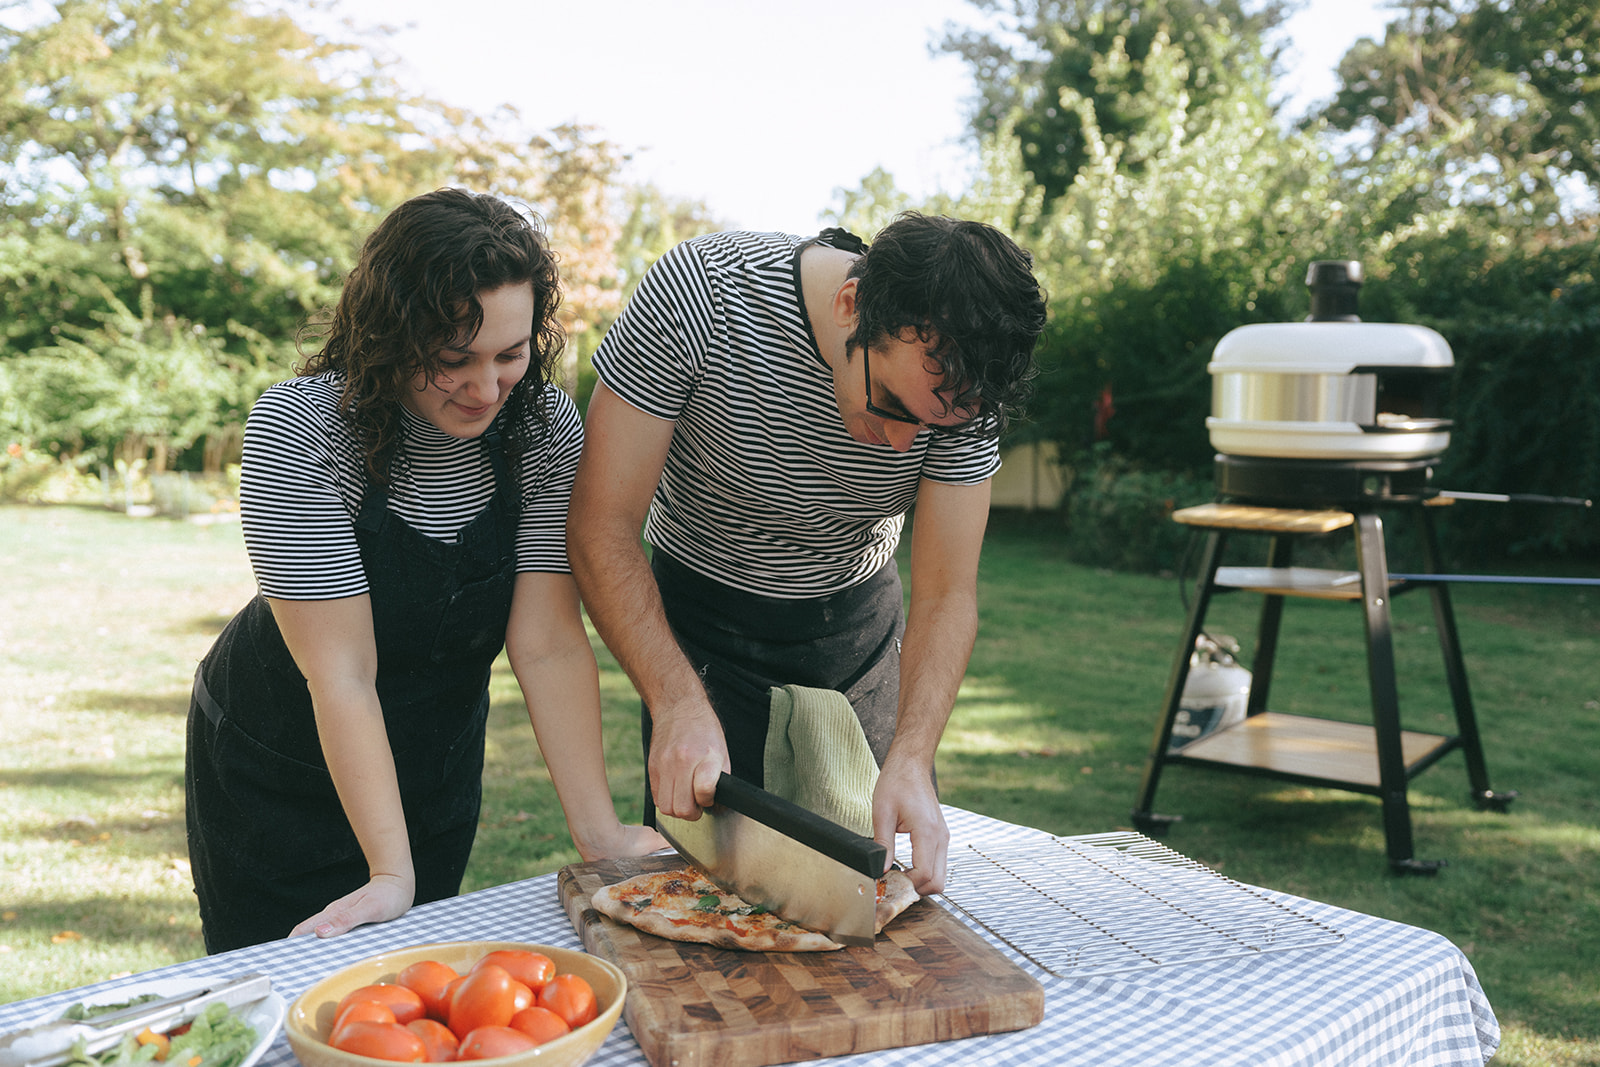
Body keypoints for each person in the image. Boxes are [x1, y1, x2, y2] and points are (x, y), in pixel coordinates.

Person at [185, 187, 666, 953]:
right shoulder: (301, 428)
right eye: (453, 360)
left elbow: (545, 641)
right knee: (284, 998)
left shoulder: (542, 429)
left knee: (411, 991)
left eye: (510, 355)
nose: (485, 389)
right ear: (389, 335)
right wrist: (389, 873)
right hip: (277, 766)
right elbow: (341, 671)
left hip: (436, 758)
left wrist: (599, 829)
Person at [567, 213, 1046, 896]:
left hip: (855, 630)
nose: (906, 448)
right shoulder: (699, 296)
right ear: (850, 304)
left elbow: (947, 594)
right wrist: (675, 701)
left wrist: (913, 752)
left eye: (935, 427)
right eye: (892, 407)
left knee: (870, 901)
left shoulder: (961, 387)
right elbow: (601, 525)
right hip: (699, 625)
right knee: (708, 907)